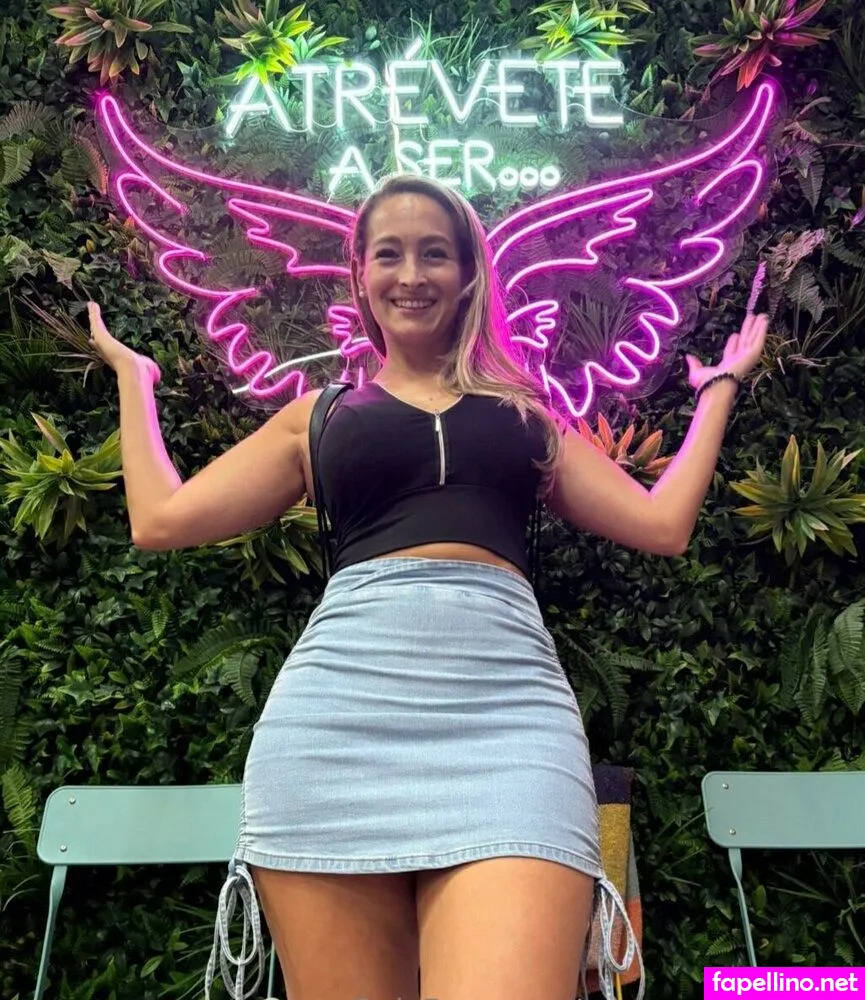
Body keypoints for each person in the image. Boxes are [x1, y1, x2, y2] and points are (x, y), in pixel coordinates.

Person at [88, 173, 768, 1000]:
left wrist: (719, 388)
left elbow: (661, 526)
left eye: (434, 254)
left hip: (508, 728)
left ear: (469, 273)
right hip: (333, 728)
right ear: (360, 274)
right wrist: (134, 380)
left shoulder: (525, 414)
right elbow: (159, 519)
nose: (411, 274)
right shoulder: (318, 416)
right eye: (389, 254)